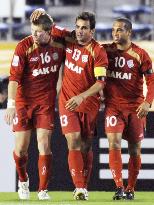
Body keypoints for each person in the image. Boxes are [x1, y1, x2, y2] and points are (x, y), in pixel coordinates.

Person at [31, 10, 108, 200]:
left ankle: (84, 185)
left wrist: (82, 97)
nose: (80, 31)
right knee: (73, 140)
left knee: (86, 147)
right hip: (67, 102)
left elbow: (100, 83)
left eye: (84, 28)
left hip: (88, 104)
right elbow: (47, 25)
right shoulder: (68, 37)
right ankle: (80, 188)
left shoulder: (98, 51)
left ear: (93, 31)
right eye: (78, 27)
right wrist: (42, 13)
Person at [4, 13, 65, 200]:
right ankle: (23, 181)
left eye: (38, 32)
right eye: (32, 31)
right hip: (23, 102)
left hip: (45, 103)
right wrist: (11, 104)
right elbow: (14, 79)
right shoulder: (23, 46)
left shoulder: (60, 44)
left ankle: (42, 189)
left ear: (49, 32)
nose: (34, 35)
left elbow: (77, 38)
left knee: (44, 144)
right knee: (21, 149)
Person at [102, 17, 154, 200]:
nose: (115, 33)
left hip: (135, 109)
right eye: (114, 29)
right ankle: (119, 187)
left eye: (120, 30)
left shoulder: (141, 55)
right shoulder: (105, 51)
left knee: (134, 150)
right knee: (113, 143)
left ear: (129, 32)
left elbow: (152, 81)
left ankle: (131, 188)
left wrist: (148, 102)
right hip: (113, 107)